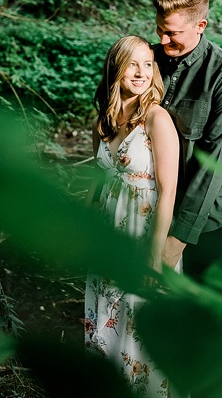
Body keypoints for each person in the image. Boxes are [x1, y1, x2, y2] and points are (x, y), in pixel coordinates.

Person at [83, 35, 179, 397]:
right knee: (106, 317)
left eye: (147, 64)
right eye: (132, 64)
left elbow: (168, 191)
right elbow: (98, 181)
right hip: (107, 233)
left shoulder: (157, 118)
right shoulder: (102, 121)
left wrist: (156, 253)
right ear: (116, 68)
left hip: (143, 231)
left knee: (139, 322)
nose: (141, 72)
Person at [151, 0, 222, 282]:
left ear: (200, 26)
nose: (163, 41)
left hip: (205, 221)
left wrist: (178, 239)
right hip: (147, 210)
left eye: (173, 33)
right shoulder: (146, 61)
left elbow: (213, 162)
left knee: (201, 315)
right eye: (159, 29)